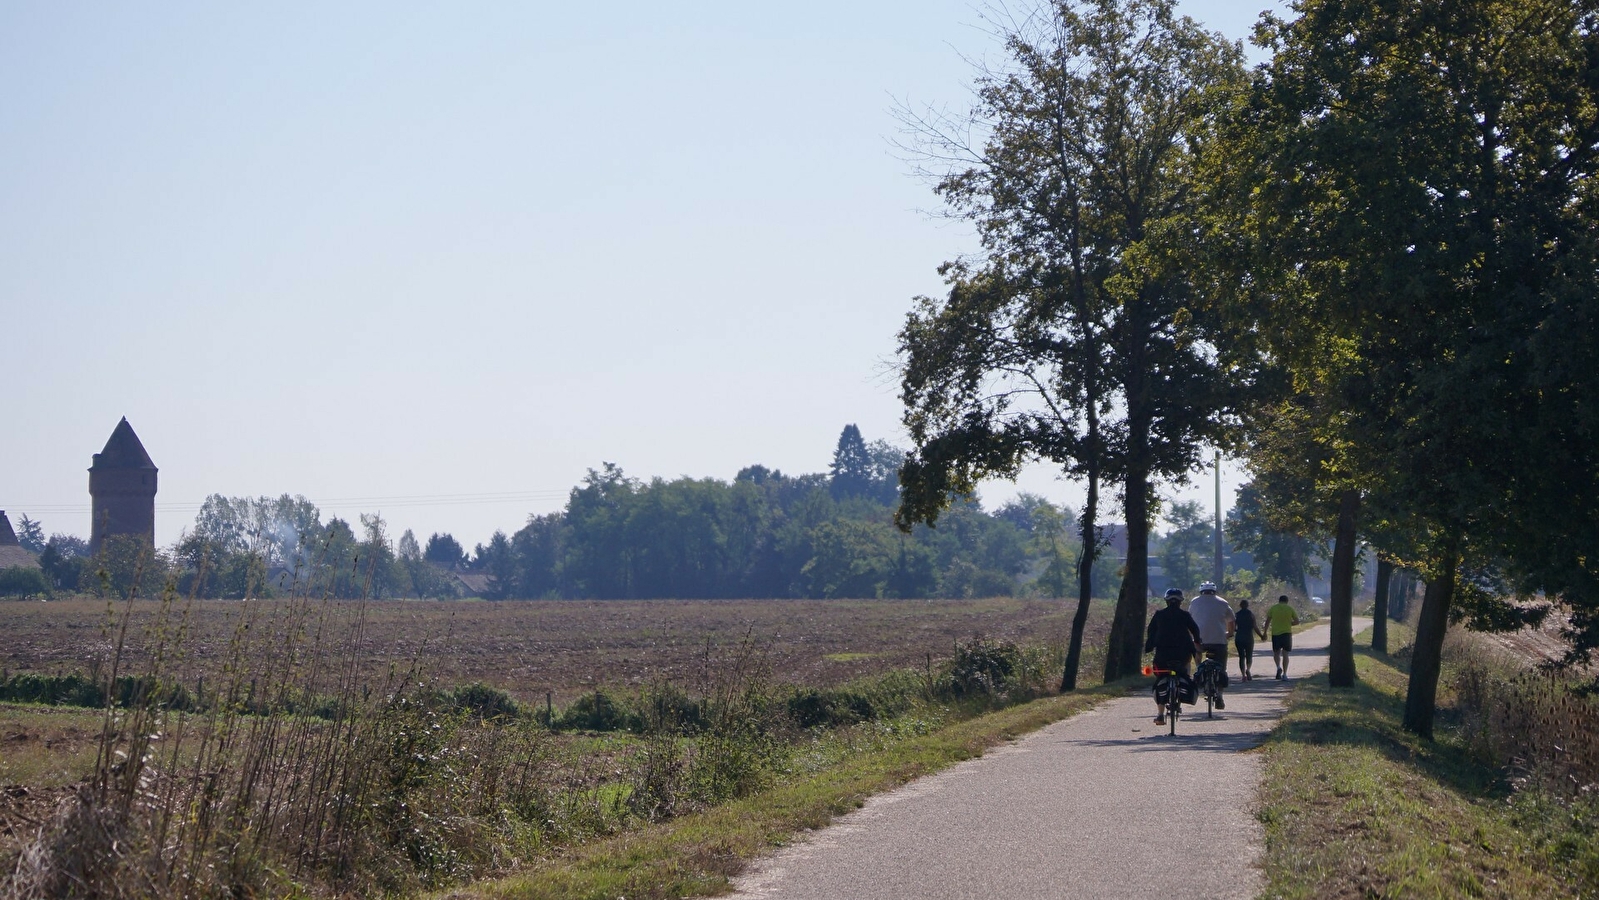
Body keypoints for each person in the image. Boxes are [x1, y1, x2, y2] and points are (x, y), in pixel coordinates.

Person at [1145, 588, 1203, 726]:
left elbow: (1151, 632)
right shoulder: (1185, 615)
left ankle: (1160, 714)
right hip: (1182, 654)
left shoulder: (1159, 615)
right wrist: (1197, 642)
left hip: (1162, 655)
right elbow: (1195, 630)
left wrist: (1149, 646)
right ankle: (1183, 685)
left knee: (1160, 678)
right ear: (1180, 601)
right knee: (1185, 669)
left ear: (1166, 600)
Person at [1187, 582, 1236, 708]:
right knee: (1221, 668)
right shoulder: (1223, 603)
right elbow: (1231, 621)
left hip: (1199, 640)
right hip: (1218, 641)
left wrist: (1191, 636)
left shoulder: (1194, 602)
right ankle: (1219, 695)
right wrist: (1229, 633)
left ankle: (1199, 670)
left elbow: (1189, 620)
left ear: (1201, 591)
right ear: (1214, 591)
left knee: (1197, 655)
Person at [1266, 594, 1301, 680]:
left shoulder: (1273, 608)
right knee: (1285, 654)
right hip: (1286, 633)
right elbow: (1297, 621)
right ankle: (1285, 674)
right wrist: (1290, 624)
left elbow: (1267, 621)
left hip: (1276, 633)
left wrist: (1264, 632)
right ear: (1287, 601)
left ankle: (1278, 667)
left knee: (1276, 653)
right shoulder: (1290, 609)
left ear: (1279, 600)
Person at [1234, 599, 1265, 681]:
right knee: (1249, 655)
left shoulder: (1236, 615)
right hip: (1248, 637)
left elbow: (1233, 627)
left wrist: (1236, 631)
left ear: (1240, 605)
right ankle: (1248, 669)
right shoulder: (1251, 614)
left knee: (1241, 657)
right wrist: (1261, 635)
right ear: (1248, 605)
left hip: (1239, 637)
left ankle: (1243, 675)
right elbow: (1255, 627)